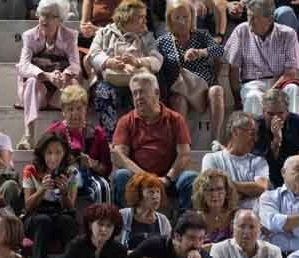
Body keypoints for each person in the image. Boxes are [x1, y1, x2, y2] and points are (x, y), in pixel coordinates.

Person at [110, 72, 198, 210]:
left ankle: (184, 227)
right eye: (135, 93)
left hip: (168, 180)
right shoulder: (126, 121)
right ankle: (125, 225)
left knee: (190, 178)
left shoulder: (175, 119)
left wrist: (167, 179)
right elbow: (119, 157)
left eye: (142, 92)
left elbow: (184, 155)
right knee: (121, 176)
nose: (138, 97)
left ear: (157, 93)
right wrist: (146, 178)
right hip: (138, 179)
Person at [89, 0, 163, 138]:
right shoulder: (105, 32)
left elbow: (157, 60)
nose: (144, 21)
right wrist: (109, 62)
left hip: (137, 80)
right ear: (127, 18)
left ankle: (140, 138)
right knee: (103, 92)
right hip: (111, 80)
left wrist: (138, 61)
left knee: (144, 93)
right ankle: (111, 140)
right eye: (140, 17)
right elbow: (93, 54)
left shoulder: (147, 36)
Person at [159, 0, 227, 149]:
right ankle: (183, 144)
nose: (182, 22)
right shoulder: (163, 42)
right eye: (177, 18)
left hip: (203, 87)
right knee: (179, 100)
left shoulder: (201, 35)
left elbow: (220, 50)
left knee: (217, 90)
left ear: (192, 18)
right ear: (170, 19)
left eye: (186, 17)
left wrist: (201, 52)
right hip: (180, 89)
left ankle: (216, 141)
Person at [16, 0, 80, 149]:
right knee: (32, 81)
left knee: (74, 84)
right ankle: (28, 136)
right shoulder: (29, 36)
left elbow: (75, 65)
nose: (46, 19)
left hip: (59, 90)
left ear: (61, 20)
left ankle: (73, 137)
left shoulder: (70, 36)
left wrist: (65, 75)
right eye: (43, 15)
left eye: (52, 16)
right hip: (38, 91)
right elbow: (23, 66)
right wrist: (46, 75)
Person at [225, 0, 299, 118]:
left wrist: (271, 92)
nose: (249, 21)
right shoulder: (241, 30)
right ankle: (257, 135)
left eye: (254, 18)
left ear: (269, 19)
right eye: (248, 16)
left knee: (293, 89)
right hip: (252, 83)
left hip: (280, 82)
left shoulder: (287, 34)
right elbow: (234, 69)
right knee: (253, 96)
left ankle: (292, 132)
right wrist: (237, 100)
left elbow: (291, 73)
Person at [22, 134, 80, 258]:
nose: (53, 158)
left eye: (58, 152)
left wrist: (64, 193)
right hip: (36, 216)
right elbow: (28, 205)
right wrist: (42, 189)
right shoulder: (31, 170)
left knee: (67, 221)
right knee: (43, 220)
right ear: (42, 153)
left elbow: (71, 207)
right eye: (49, 153)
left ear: (65, 153)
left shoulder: (72, 172)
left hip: (59, 214)